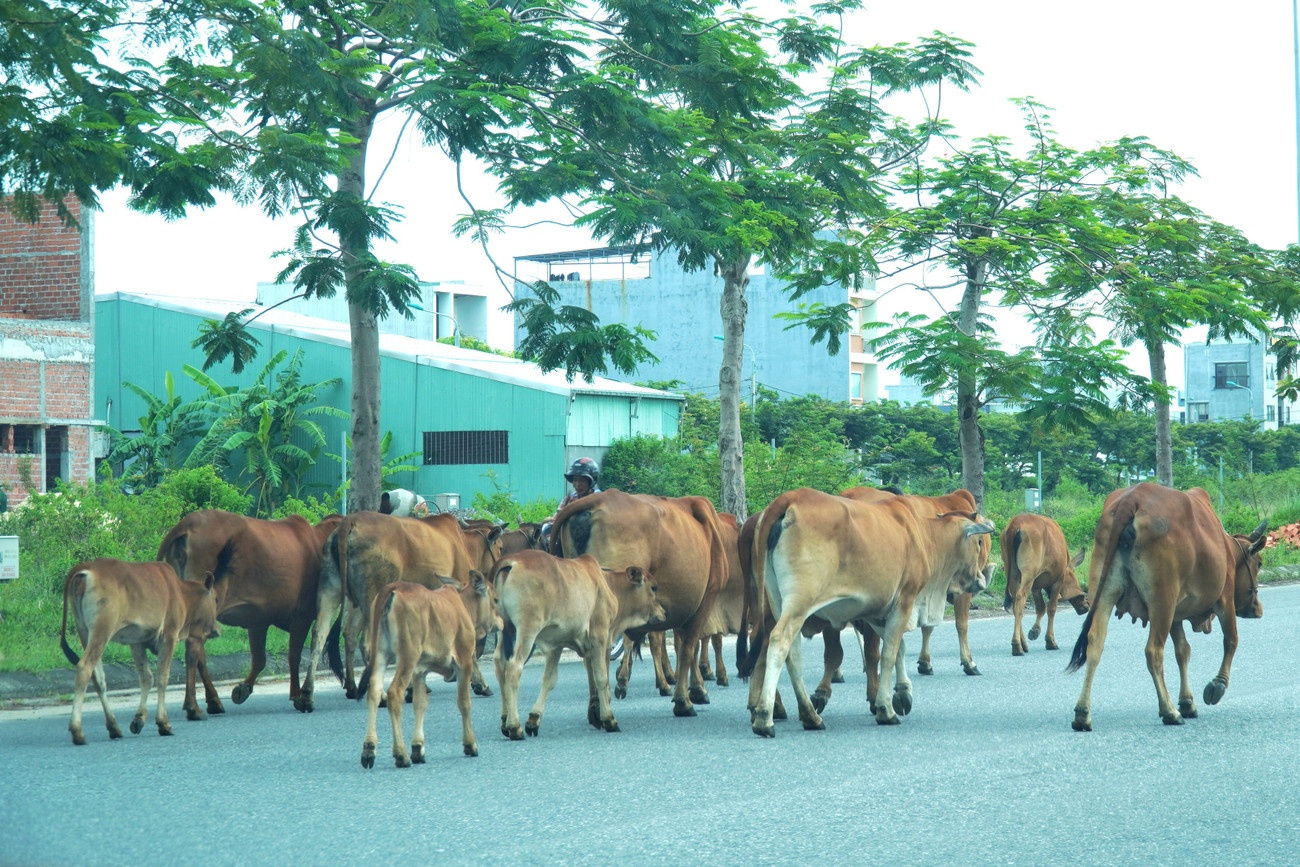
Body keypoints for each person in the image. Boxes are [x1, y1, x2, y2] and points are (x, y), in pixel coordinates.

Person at [541, 457, 601, 547]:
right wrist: (550, 521)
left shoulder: (599, 499)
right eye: (575, 480)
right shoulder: (569, 499)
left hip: (593, 539)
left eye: (582, 481)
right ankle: (554, 552)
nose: (577, 485)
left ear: (592, 481)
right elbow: (556, 518)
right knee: (546, 527)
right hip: (569, 537)